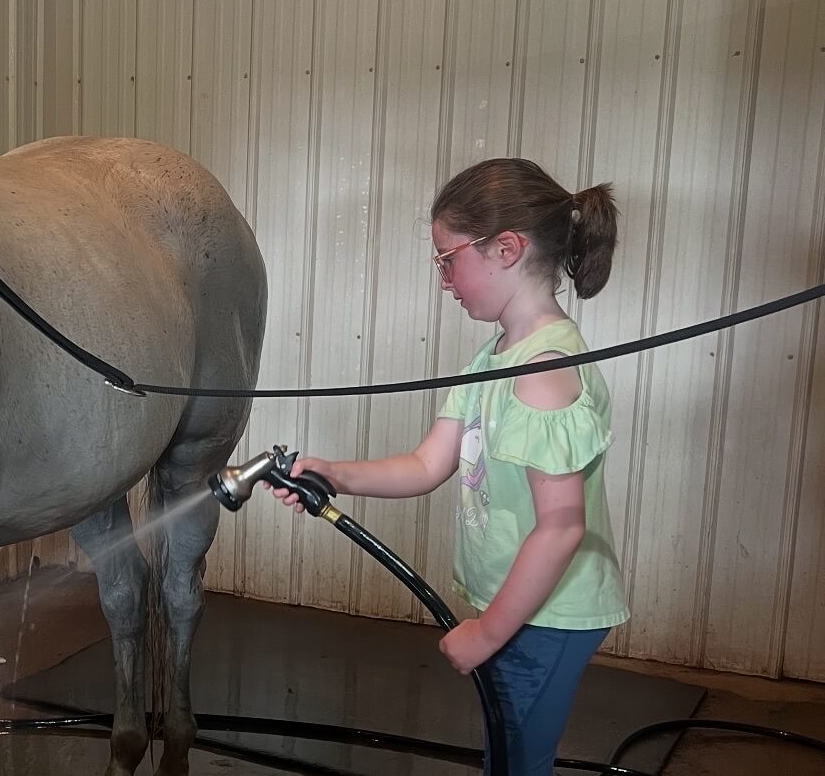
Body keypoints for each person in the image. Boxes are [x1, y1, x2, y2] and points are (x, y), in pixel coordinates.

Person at [270, 157, 630, 776]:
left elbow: (561, 527)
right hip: (521, 606)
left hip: (550, 615)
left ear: (506, 249)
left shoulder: (542, 373)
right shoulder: (493, 358)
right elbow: (425, 464)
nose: (443, 280)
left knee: (517, 764)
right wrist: (333, 474)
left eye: (448, 258)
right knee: (506, 754)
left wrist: (486, 633)